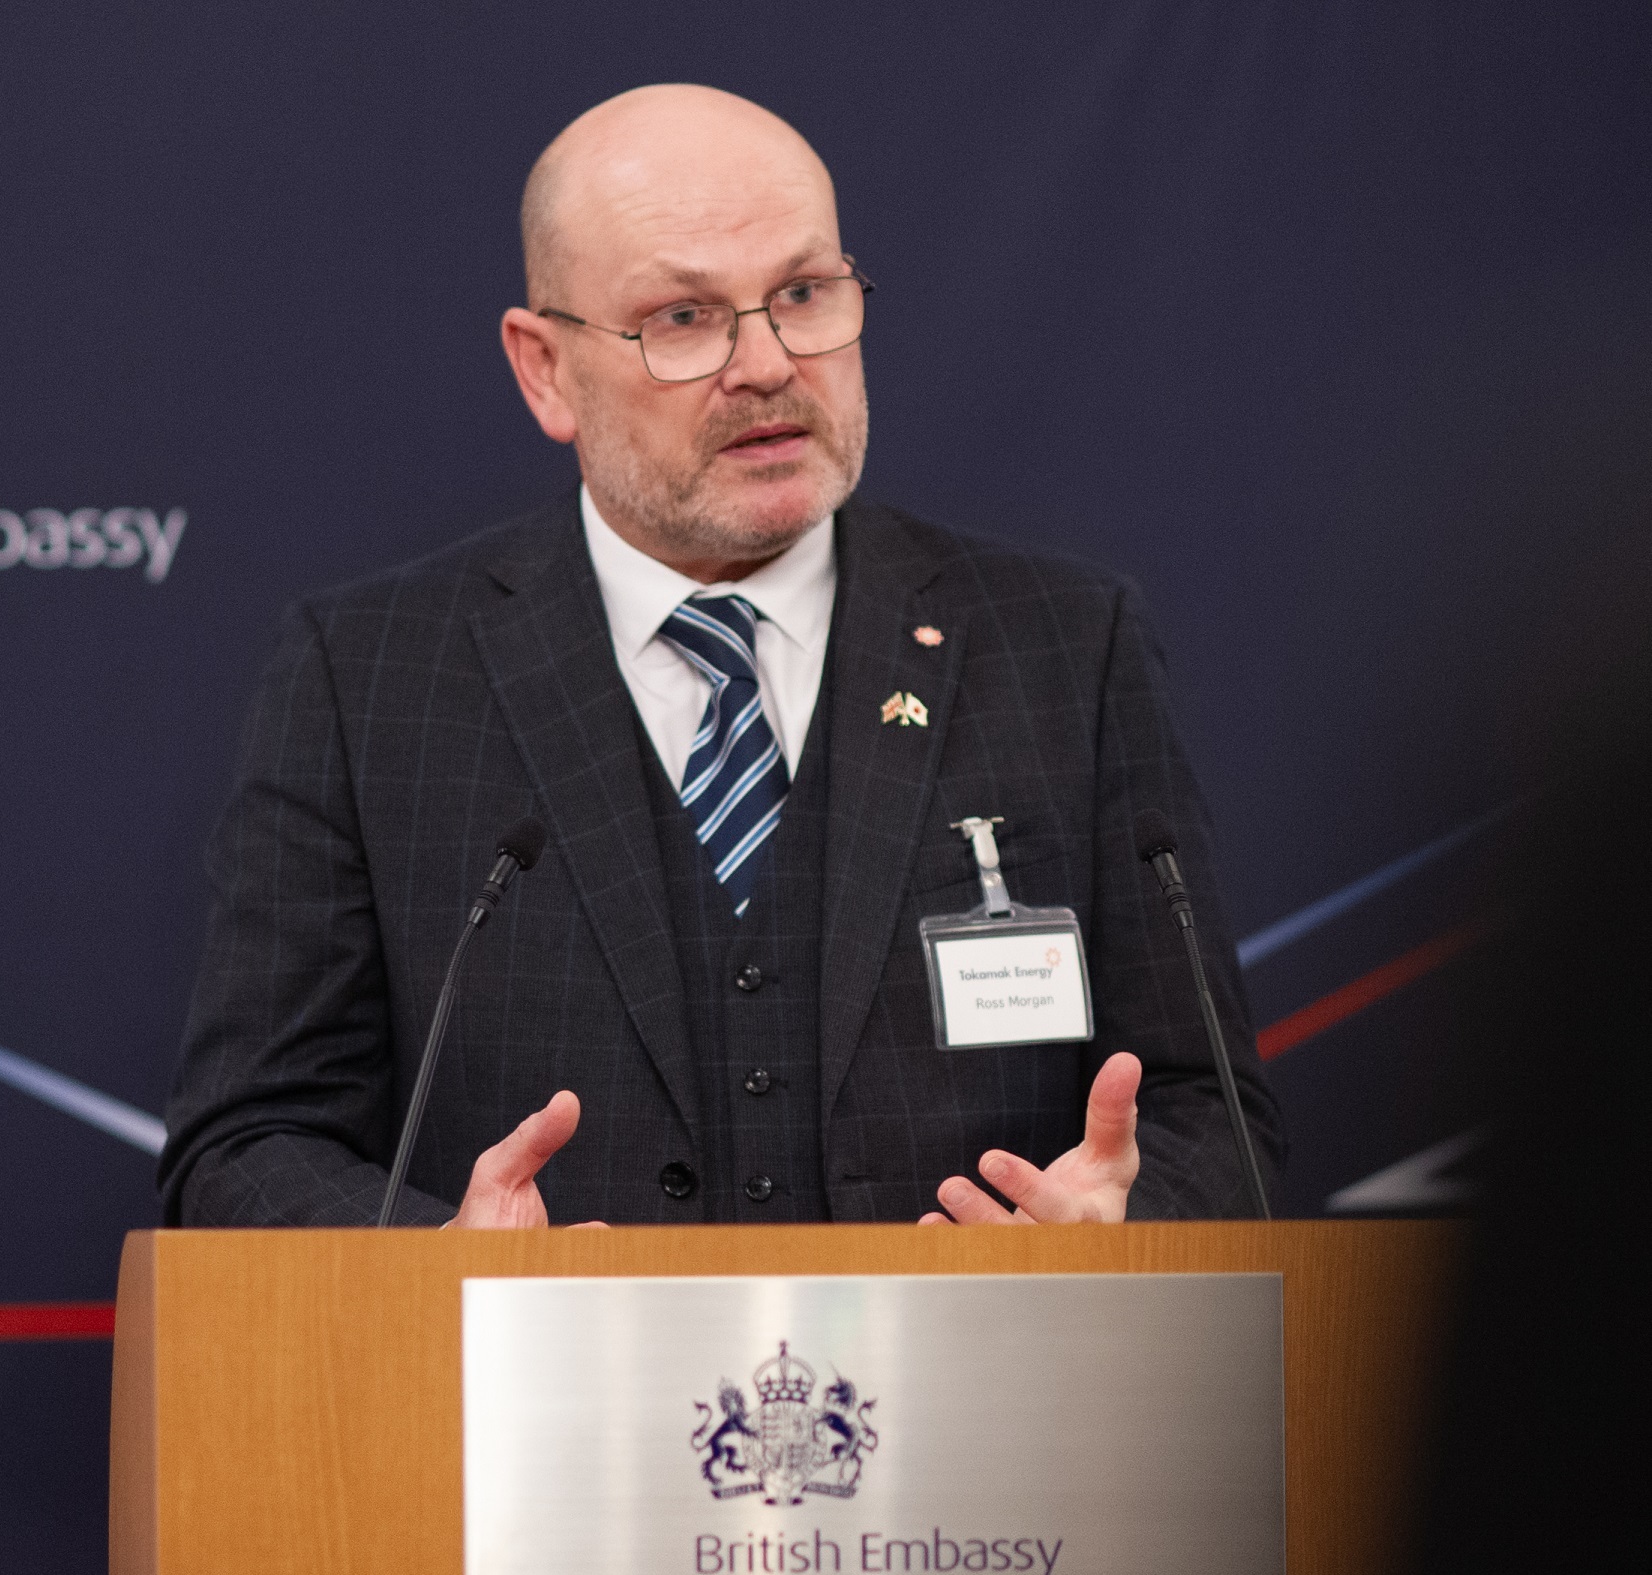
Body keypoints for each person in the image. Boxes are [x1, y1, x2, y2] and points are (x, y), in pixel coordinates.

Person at [161, 85, 1278, 1247]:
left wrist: (1111, 1228)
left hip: (981, 1366)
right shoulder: (371, 677)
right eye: (683, 317)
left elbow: (1206, 1112)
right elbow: (244, 1145)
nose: (766, 364)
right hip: (540, 1371)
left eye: (801, 295)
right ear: (544, 369)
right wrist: (432, 1270)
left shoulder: (1062, 643)